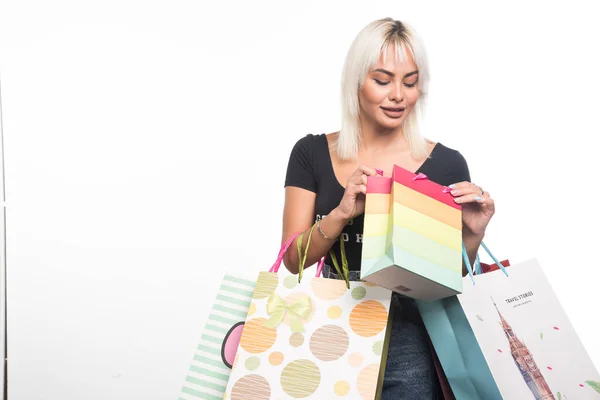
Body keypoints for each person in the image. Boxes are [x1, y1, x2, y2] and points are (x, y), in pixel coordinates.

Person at [281, 17, 495, 399]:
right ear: (356, 82)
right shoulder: (311, 153)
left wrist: (473, 236)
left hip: (412, 334)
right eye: (383, 80)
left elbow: (449, 278)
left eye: (410, 82)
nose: (398, 95)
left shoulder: (446, 164)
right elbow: (292, 259)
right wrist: (342, 211)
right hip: (330, 326)